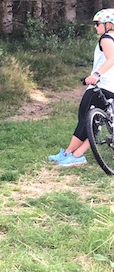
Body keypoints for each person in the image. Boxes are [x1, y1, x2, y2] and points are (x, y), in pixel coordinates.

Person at [48, 9, 114, 167]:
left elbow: (112, 58)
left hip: (101, 85)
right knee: (96, 122)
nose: (95, 27)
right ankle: (74, 154)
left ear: (109, 24)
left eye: (97, 23)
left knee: (84, 119)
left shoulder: (106, 38)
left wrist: (96, 74)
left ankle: (70, 154)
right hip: (111, 88)